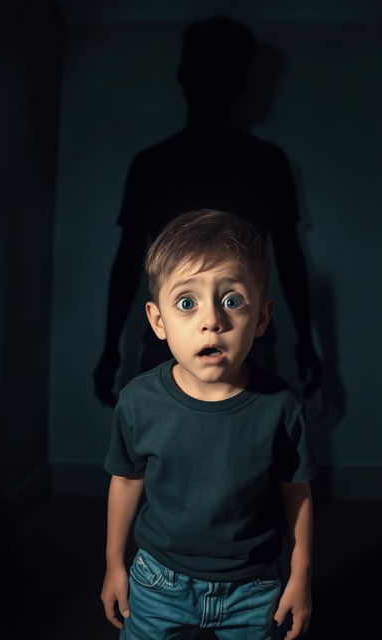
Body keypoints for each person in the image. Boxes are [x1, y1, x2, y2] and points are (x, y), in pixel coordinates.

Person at [100, 210, 317, 639]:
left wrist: (300, 576)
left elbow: (297, 492)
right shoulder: (138, 402)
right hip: (159, 578)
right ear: (158, 321)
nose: (212, 319)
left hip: (254, 586)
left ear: (260, 319)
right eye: (187, 302)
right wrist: (113, 564)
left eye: (232, 300)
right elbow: (126, 482)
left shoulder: (281, 407)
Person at [93, 15, 323, 408]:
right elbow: (128, 260)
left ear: (239, 81)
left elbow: (289, 256)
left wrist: (307, 339)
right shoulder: (152, 165)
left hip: (246, 339)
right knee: (163, 449)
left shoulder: (267, 163)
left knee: (253, 452)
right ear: (184, 75)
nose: (214, 84)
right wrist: (109, 347)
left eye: (225, 71)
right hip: (172, 340)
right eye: (208, 70)